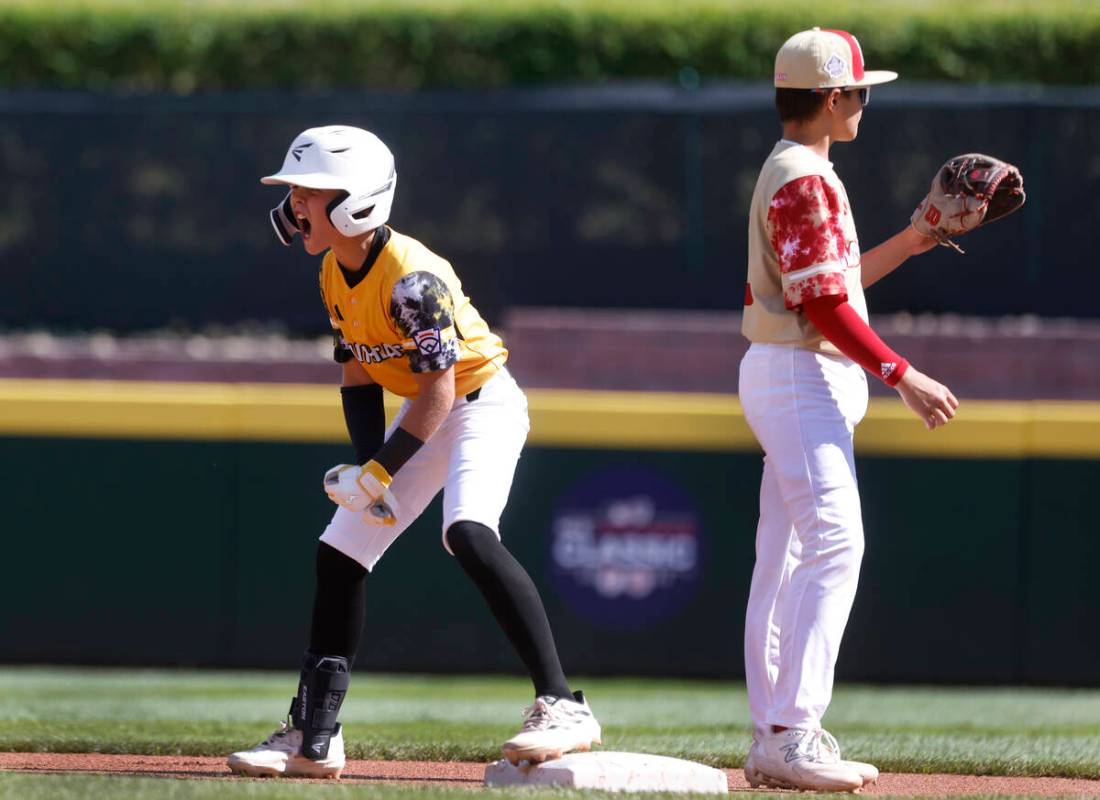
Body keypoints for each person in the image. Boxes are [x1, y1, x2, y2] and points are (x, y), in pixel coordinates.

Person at [227, 125, 601, 779]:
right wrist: (370, 468)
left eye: (309, 191)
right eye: (296, 191)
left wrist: (378, 473)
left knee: (467, 533)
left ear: (357, 200)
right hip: (427, 412)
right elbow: (357, 373)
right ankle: (315, 736)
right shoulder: (332, 273)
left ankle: (563, 705)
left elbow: (440, 393)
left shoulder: (412, 282)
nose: (295, 204)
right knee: (339, 552)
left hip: (480, 404)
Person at [739, 29, 959, 792]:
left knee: (788, 557)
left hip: (790, 370)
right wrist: (902, 372)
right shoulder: (805, 178)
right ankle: (794, 731)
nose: (865, 103)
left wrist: (915, 238)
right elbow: (825, 304)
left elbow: (834, 283)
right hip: (801, 374)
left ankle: (774, 733)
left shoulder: (793, 169)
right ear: (833, 99)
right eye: (860, 92)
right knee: (834, 545)